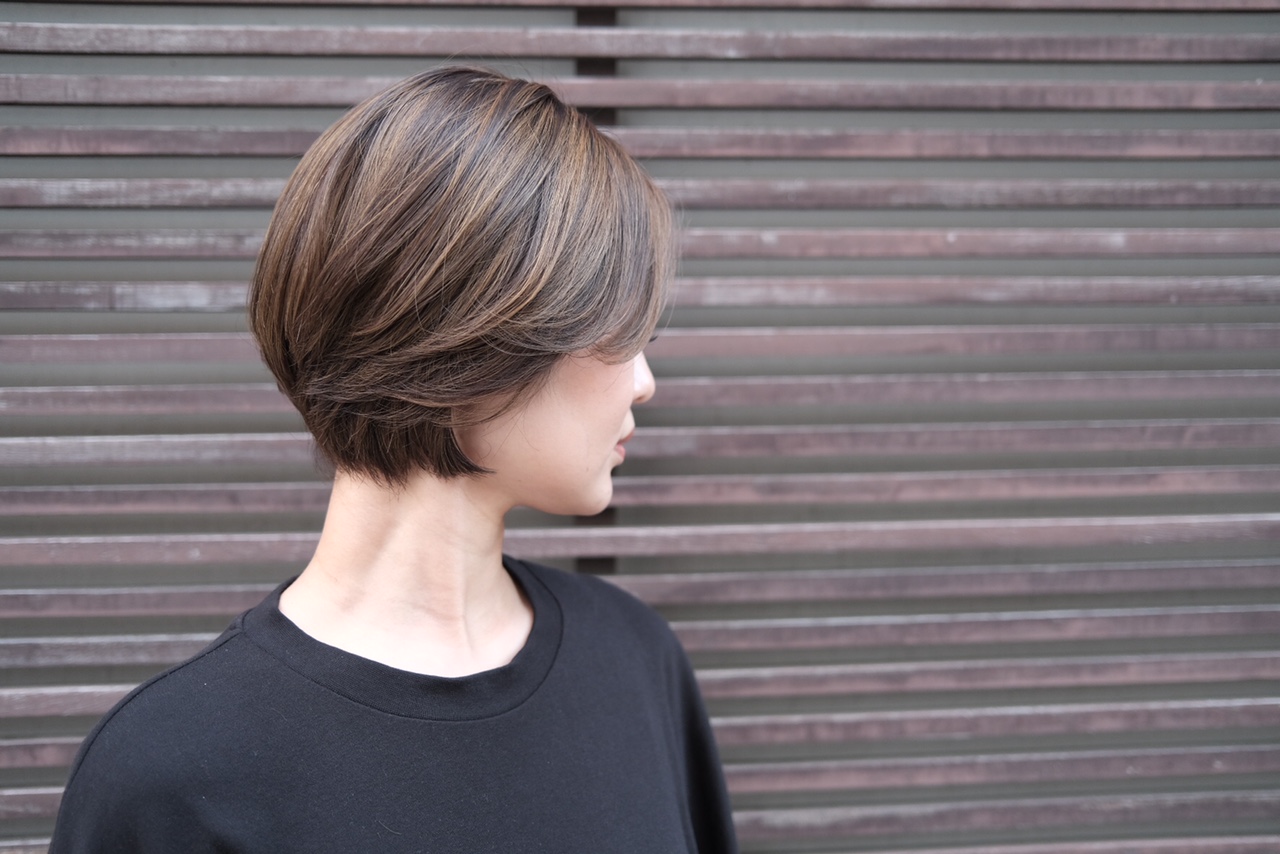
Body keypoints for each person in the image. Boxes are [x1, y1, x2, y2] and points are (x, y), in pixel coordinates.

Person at [50, 66, 738, 853]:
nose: (644, 381)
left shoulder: (634, 663)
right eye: (620, 331)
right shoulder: (169, 774)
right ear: (471, 344)